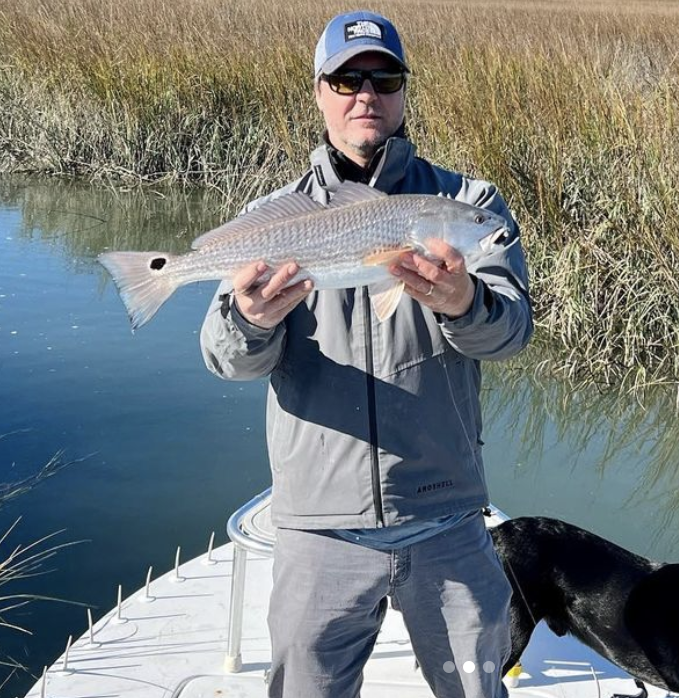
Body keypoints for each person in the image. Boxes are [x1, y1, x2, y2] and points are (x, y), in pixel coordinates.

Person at [200, 10, 533, 698]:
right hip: (318, 528)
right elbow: (225, 359)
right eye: (346, 78)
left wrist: (461, 304)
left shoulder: (469, 202)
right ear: (319, 91)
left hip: (445, 514)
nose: (366, 94)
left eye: (385, 78)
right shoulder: (277, 213)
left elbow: (512, 332)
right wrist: (248, 319)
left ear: (405, 92)